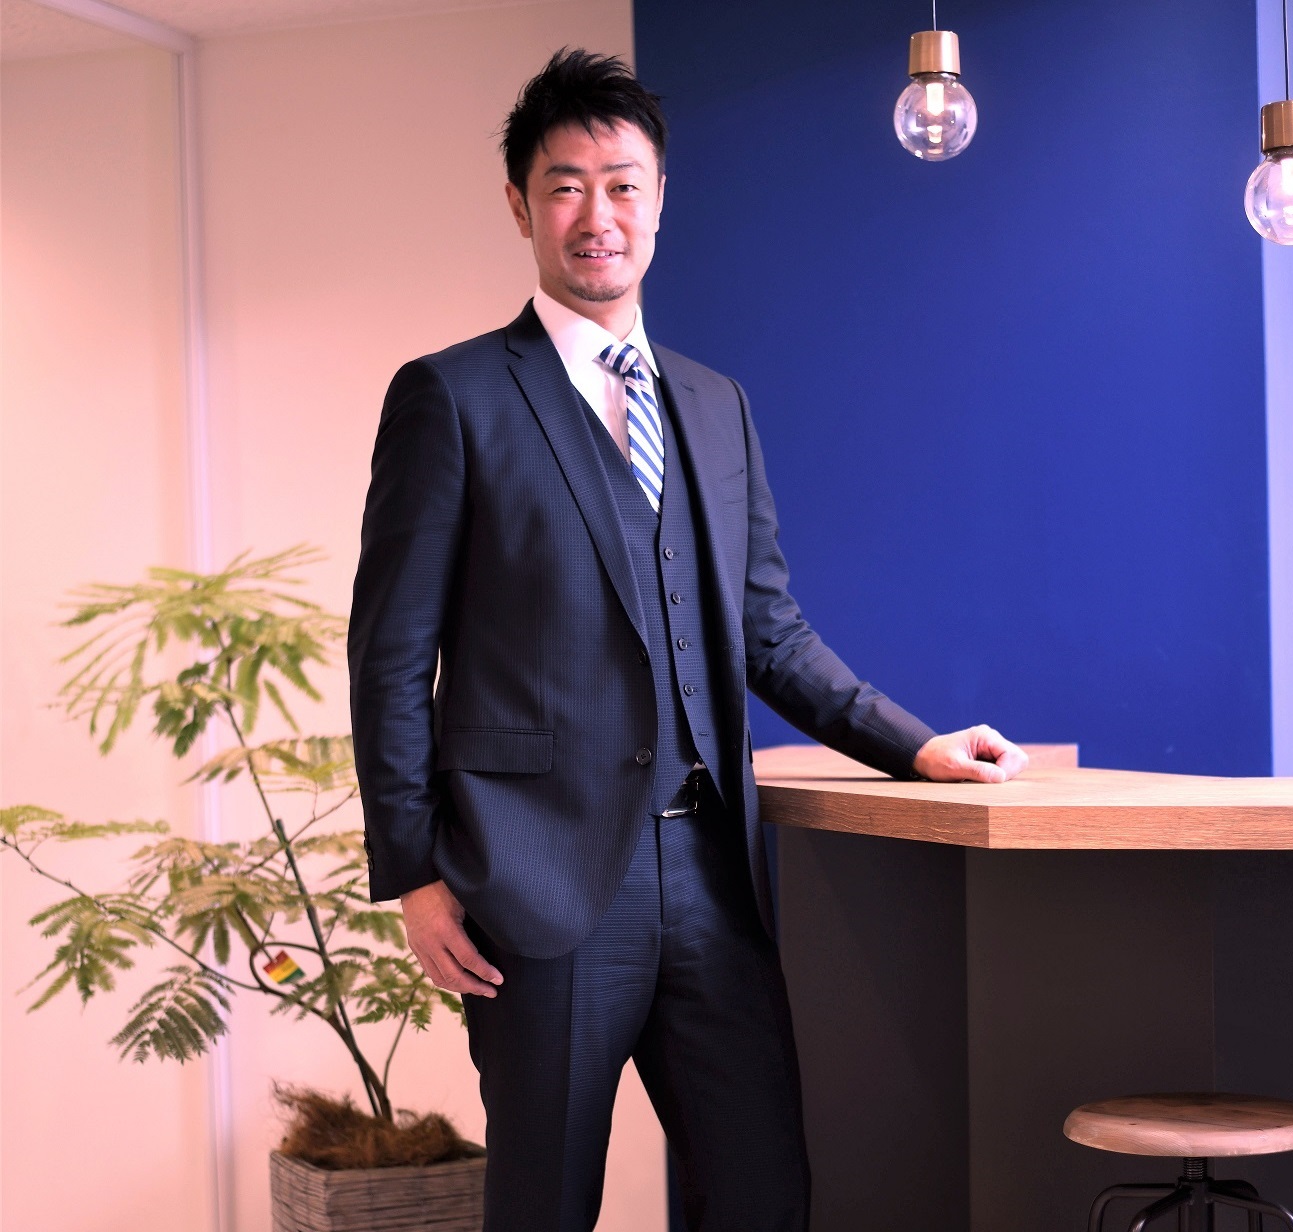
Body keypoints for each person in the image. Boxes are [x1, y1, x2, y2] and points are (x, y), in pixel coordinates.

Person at [348, 47, 1027, 1232]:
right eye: (564, 187)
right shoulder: (450, 397)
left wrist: (913, 745)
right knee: (544, 1206)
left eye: (621, 185)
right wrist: (411, 871)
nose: (595, 215)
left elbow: (769, 630)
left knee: (763, 1195)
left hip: (714, 876)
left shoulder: (714, 405)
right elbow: (390, 655)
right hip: (536, 885)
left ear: (660, 199)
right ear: (518, 205)